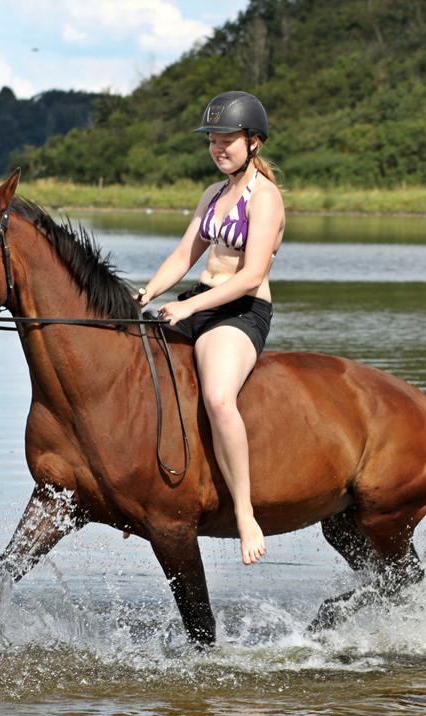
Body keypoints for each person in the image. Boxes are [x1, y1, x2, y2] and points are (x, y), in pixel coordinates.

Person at [134, 91, 285, 566]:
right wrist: (145, 295)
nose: (218, 149)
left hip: (239, 311)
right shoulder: (213, 195)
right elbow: (184, 257)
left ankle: (244, 512)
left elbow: (251, 274)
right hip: (197, 302)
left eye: (228, 141)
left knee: (219, 398)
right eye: (213, 141)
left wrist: (187, 307)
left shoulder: (266, 198)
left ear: (254, 142)